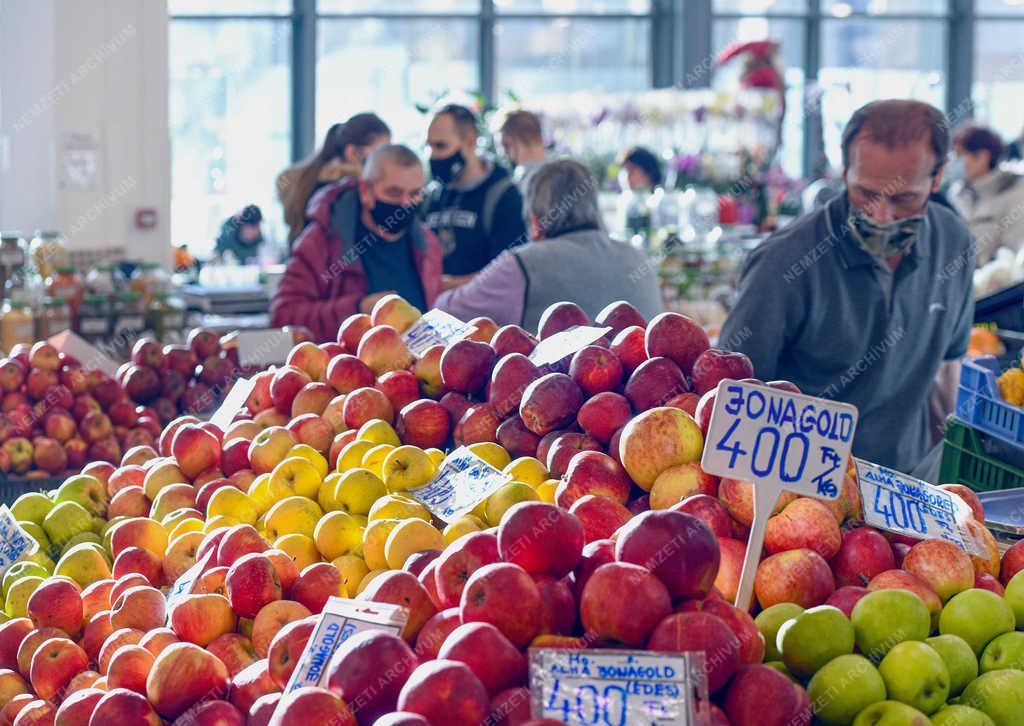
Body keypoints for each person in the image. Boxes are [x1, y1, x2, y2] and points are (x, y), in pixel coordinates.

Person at [718, 100, 974, 473]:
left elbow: (947, 374)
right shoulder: (783, 264)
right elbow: (728, 398)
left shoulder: (954, 243)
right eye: (866, 194)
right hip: (803, 494)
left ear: (937, 178)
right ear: (844, 172)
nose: (882, 216)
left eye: (905, 197)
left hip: (909, 487)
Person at [436, 159, 664, 332]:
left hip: (554, 392)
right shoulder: (637, 257)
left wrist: (466, 281)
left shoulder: (523, 263)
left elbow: (445, 312)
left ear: (535, 218)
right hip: (648, 392)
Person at [270, 144, 442, 342]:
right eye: (394, 193)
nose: (405, 204)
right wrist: (357, 309)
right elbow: (283, 317)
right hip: (343, 368)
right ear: (365, 192)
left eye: (414, 195)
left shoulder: (428, 245)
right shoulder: (322, 240)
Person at [422, 104, 528, 281]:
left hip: (484, 308)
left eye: (441, 146)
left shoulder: (505, 197)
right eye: (429, 146)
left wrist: (440, 287)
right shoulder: (430, 198)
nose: (433, 155)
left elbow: (506, 275)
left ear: (470, 141)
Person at [277, 113, 391, 244]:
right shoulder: (349, 191)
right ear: (353, 153)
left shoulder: (308, 181)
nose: (386, 160)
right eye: (381, 152)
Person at [948, 124, 1024, 264]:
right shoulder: (956, 193)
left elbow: (1014, 248)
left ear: (982, 157)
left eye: (959, 155)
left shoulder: (1015, 189)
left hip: (997, 280)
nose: (952, 162)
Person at [498, 110, 547, 192]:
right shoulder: (563, 173)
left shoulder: (521, 181)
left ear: (509, 143)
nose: (503, 153)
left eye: (503, 145)